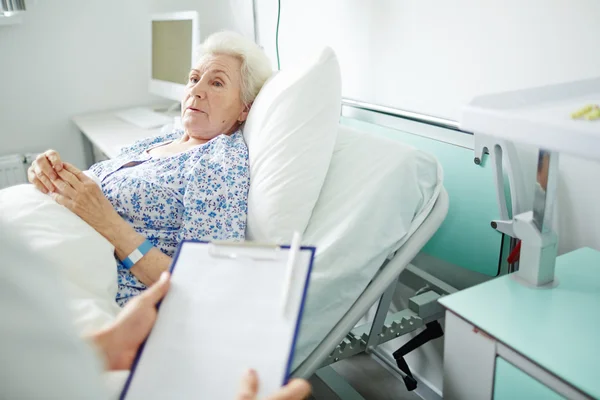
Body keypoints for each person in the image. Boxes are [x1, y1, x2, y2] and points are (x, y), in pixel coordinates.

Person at [26, 31, 273, 307]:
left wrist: (105, 221)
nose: (196, 90)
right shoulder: (160, 139)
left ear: (243, 109)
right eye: (193, 79)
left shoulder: (218, 166)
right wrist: (51, 176)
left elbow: (201, 284)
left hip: (89, 292)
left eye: (216, 83)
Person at [0, 224, 311, 399]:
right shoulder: (149, 144)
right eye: (187, 100)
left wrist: (110, 344)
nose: (195, 101)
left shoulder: (219, 161)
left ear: (243, 113)